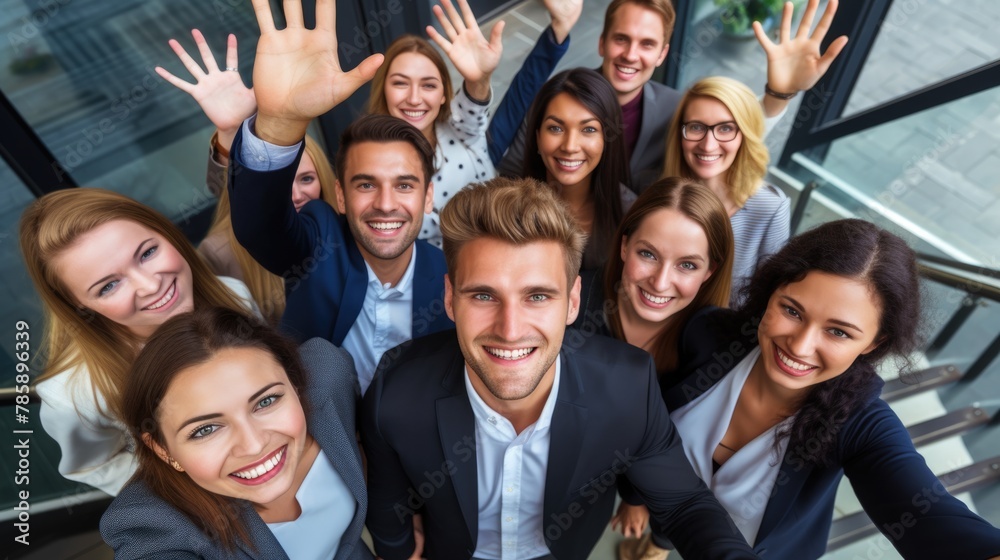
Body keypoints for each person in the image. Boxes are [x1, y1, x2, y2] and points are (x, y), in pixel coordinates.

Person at [361, 177, 758, 560]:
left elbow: (684, 504)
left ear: (572, 302)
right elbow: (388, 504)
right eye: (484, 295)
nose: (510, 330)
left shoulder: (629, 386)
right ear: (450, 298)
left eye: (537, 296)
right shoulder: (395, 392)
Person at [622, 219, 1000, 559]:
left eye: (838, 332)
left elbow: (929, 517)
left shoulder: (860, 425)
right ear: (771, 292)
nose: (799, 347)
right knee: (662, 535)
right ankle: (659, 544)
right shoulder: (707, 335)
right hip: (668, 512)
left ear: (873, 343)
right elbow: (651, 436)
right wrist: (636, 498)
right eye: (792, 310)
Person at [226, 0, 454, 395]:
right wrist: (281, 122)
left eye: (404, 185)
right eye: (366, 184)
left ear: (428, 196)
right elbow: (258, 224)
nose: (385, 203)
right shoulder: (320, 242)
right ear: (341, 196)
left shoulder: (453, 272)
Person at [21, 188, 257, 495]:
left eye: (147, 253)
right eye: (109, 286)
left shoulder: (234, 296)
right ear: (77, 304)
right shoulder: (72, 397)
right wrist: (183, 487)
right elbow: (93, 465)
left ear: (166, 233)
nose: (151, 285)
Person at [99, 307, 372, 559]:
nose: (253, 445)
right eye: (205, 430)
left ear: (295, 383)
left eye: (266, 401)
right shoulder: (149, 524)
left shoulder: (329, 377)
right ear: (163, 450)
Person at [499, 0, 848, 192]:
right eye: (622, 39)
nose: (631, 55)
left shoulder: (673, 110)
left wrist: (779, 94)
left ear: (663, 55)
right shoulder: (561, 94)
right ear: (602, 42)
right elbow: (513, 171)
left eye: (647, 44)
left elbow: (729, 138)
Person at [156, 30, 341, 323]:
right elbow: (247, 195)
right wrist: (231, 130)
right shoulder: (220, 252)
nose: (293, 194)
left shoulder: (340, 231)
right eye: (284, 181)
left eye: (306, 179)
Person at [368, 0, 583, 247]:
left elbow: (503, 96)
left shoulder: (460, 129)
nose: (414, 98)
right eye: (400, 83)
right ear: (383, 89)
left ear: (443, 95)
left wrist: (479, 79)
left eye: (428, 85)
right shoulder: (370, 154)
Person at [572, 177, 733, 374]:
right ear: (625, 246)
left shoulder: (715, 348)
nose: (660, 283)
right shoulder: (570, 305)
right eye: (648, 254)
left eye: (687, 265)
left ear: (710, 271)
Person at [663, 76, 789, 304]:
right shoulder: (660, 193)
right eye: (696, 127)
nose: (708, 144)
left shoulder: (770, 208)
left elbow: (771, 298)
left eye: (725, 128)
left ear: (744, 134)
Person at [521, 68, 635, 271]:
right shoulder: (507, 208)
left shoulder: (631, 215)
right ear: (537, 136)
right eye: (555, 128)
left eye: (588, 130)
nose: (570, 146)